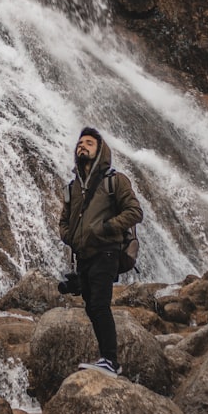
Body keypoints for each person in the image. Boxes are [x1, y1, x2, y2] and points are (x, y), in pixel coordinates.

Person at [59, 125, 143, 376]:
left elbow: (135, 212)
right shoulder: (73, 187)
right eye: (80, 143)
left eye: (89, 143)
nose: (82, 146)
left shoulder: (114, 181)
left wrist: (106, 228)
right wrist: (69, 237)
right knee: (91, 306)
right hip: (84, 255)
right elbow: (64, 219)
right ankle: (107, 360)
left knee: (99, 304)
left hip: (107, 251)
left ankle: (110, 360)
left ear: (100, 150)